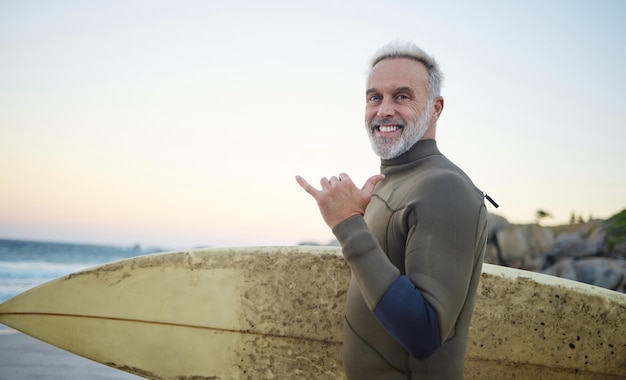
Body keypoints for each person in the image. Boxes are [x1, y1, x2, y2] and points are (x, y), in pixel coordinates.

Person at [296, 41, 489, 379]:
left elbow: (425, 333)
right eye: (374, 97)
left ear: (435, 108)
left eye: (402, 96)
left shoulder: (444, 187)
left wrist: (348, 224)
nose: (383, 110)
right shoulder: (391, 181)